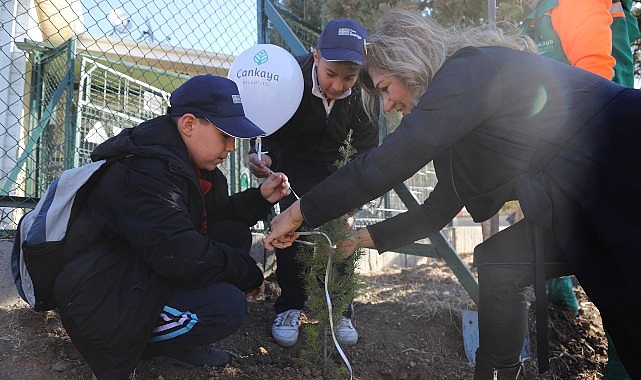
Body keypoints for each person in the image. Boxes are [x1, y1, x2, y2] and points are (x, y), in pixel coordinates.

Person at [263, 8, 641, 380]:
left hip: (621, 163)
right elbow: (437, 210)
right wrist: (359, 239)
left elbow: (388, 161)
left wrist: (298, 212)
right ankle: (496, 372)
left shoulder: (468, 69)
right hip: (575, 195)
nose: (388, 105)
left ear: (407, 61)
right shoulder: (458, 120)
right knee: (500, 261)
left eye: (384, 89)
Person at [54, 74, 291, 379]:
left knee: (232, 233)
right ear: (189, 124)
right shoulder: (146, 170)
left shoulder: (200, 167)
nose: (232, 147)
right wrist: (247, 272)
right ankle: (127, 342)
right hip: (101, 297)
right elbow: (180, 254)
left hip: (140, 273)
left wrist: (260, 197)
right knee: (226, 307)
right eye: (225, 135)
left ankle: (179, 342)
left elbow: (217, 217)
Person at [524, 1, 639, 378]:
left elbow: (594, 76)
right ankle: (562, 295)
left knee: (620, 258)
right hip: (582, 149)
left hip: (606, 149)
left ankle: (625, 365)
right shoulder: (541, 9)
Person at [247, 18, 379, 348]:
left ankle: (341, 308)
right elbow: (267, 125)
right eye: (331, 74)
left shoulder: (367, 91)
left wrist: (352, 203)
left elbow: (366, 153)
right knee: (292, 231)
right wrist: (262, 157)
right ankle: (289, 306)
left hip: (340, 163)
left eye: (349, 78)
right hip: (296, 160)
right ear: (316, 56)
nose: (337, 85)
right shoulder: (287, 76)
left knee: (342, 233)